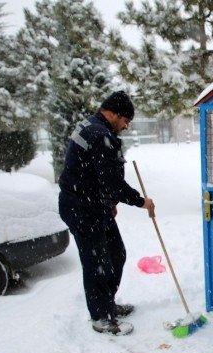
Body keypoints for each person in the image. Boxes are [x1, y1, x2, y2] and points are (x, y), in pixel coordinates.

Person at [58, 91, 155, 336]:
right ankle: (101, 316)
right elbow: (111, 182)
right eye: (125, 120)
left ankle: (107, 303)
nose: (126, 125)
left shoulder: (93, 128)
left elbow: (93, 174)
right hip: (82, 209)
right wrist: (141, 201)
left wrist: (108, 201)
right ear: (112, 113)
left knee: (116, 254)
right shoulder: (100, 135)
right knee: (97, 263)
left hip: (94, 205)